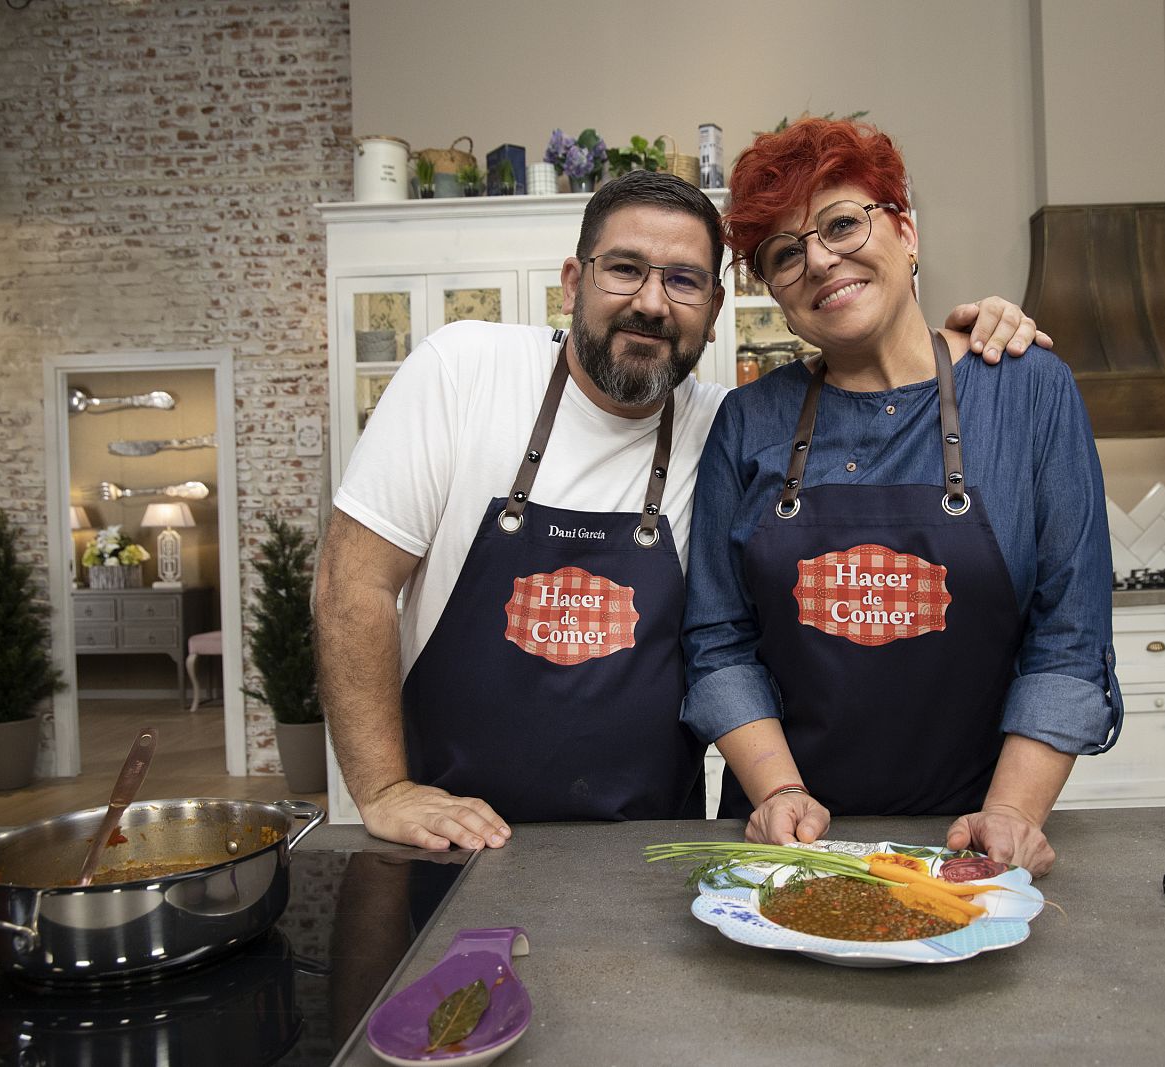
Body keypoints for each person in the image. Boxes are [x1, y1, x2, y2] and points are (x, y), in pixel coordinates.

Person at [315, 170, 1051, 852]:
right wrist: (384, 789)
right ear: (574, 278)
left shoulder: (725, 428)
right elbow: (354, 586)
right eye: (625, 268)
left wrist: (975, 342)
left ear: (715, 306)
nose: (651, 302)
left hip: (650, 848)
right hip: (449, 839)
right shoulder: (464, 372)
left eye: (684, 280)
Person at [681, 120, 1123, 876]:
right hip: (787, 845)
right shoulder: (749, 419)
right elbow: (718, 640)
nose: (820, 258)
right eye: (785, 254)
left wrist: (1012, 813)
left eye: (842, 222)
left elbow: (1070, 635)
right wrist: (780, 790)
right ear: (777, 295)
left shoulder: (1027, 389)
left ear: (908, 231)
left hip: (967, 839)